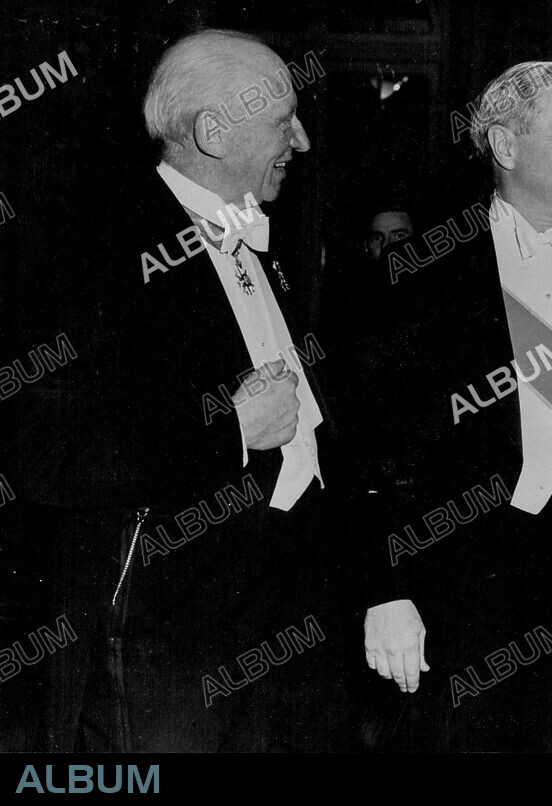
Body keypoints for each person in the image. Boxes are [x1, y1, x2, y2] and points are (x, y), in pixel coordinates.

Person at [17, 28, 347, 752]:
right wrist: (227, 429)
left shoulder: (267, 242)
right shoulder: (98, 249)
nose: (302, 139)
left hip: (289, 635)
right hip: (172, 649)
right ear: (213, 131)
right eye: (282, 118)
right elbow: (46, 454)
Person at [359, 60, 552, 751]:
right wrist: (386, 590)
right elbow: (372, 455)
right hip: (462, 591)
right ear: (504, 146)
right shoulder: (424, 273)